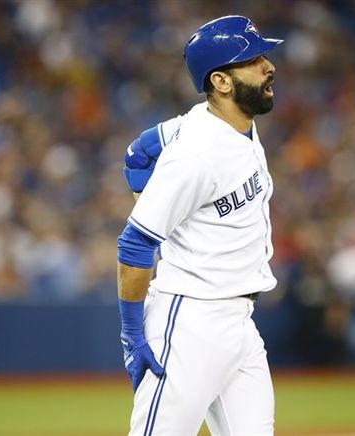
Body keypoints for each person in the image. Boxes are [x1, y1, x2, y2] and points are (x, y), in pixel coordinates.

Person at [117, 15, 283, 435]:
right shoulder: (195, 154)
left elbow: (138, 152)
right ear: (222, 82)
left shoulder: (223, 125)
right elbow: (134, 245)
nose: (269, 66)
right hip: (190, 320)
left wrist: (146, 188)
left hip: (240, 322)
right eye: (253, 59)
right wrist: (133, 335)